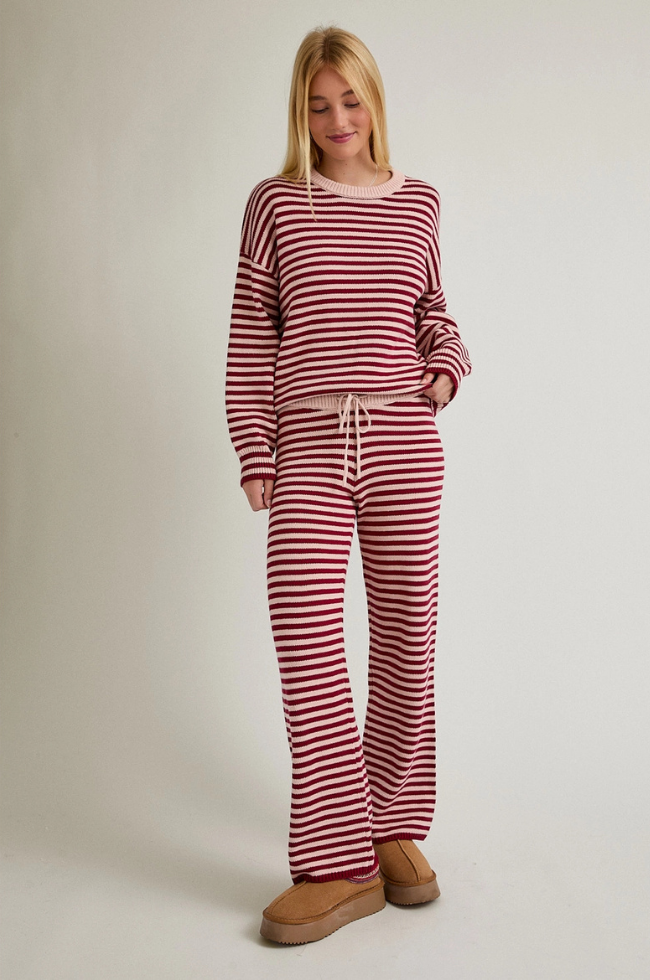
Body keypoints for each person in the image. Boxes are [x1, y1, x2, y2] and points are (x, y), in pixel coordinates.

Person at [224, 25, 472, 945]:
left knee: (407, 631)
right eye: (319, 103)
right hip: (310, 445)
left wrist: (444, 371)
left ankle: (392, 823)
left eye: (351, 99)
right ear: (301, 110)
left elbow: (434, 312)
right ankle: (339, 860)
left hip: (403, 438)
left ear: (374, 102)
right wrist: (256, 448)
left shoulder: (418, 203)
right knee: (305, 631)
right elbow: (251, 332)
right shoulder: (274, 204)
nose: (337, 119)